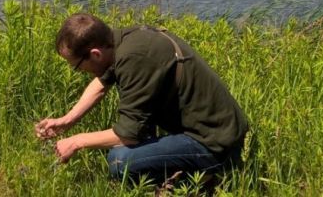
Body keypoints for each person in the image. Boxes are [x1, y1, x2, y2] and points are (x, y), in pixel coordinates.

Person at [35, 13, 248, 184]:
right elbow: (102, 84)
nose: (78, 71)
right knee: (125, 151)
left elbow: (128, 135)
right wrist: (66, 120)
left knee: (120, 161)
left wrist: (76, 141)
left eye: (77, 66)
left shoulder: (135, 59)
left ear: (95, 54)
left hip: (214, 143)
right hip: (216, 130)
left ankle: (203, 179)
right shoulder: (120, 41)